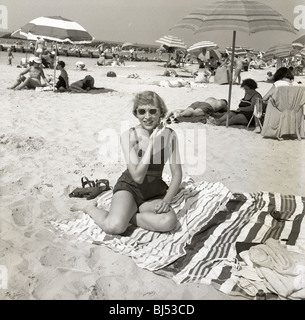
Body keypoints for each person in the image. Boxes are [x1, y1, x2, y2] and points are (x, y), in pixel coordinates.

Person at [71, 91, 182, 235]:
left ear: (161, 112)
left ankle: (129, 216)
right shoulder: (129, 136)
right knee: (114, 227)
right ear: (136, 113)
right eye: (142, 111)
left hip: (154, 191)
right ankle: (90, 208)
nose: (147, 117)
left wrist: (167, 200)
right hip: (129, 188)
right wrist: (152, 146)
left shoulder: (170, 135)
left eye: (153, 111)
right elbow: (137, 177)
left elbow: (177, 173)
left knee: (168, 222)